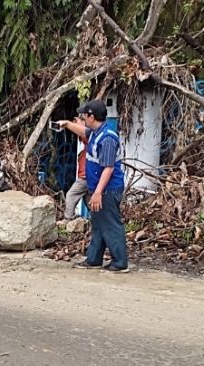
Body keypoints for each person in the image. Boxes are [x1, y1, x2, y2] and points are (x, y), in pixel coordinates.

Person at [58, 100, 129, 273]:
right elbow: (83, 131)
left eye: (84, 115)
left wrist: (98, 192)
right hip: (99, 188)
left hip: (107, 189)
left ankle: (120, 262)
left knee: (111, 224)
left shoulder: (107, 138)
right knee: (98, 224)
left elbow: (108, 168)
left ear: (91, 117)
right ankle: (94, 259)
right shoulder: (96, 132)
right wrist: (67, 124)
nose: (82, 118)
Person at [63, 118, 89, 221]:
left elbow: (83, 134)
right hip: (89, 177)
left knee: (71, 195)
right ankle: (100, 221)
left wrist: (75, 124)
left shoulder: (90, 138)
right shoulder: (88, 144)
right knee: (89, 200)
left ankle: (68, 218)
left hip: (85, 177)